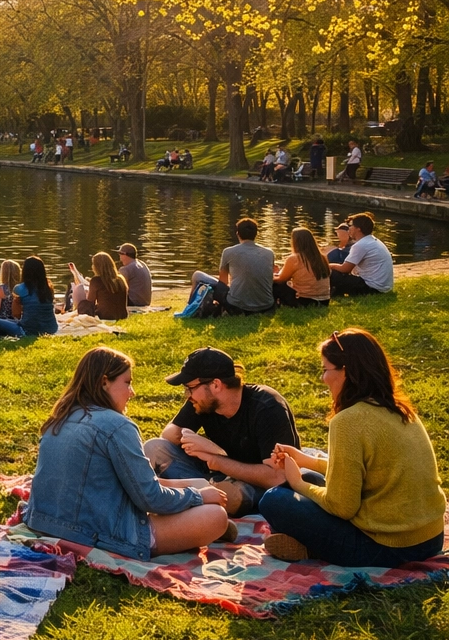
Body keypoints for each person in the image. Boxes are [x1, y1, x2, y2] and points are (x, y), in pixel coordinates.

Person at [260, 329, 446, 566]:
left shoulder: (348, 422)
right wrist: (305, 461)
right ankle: (306, 544)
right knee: (311, 477)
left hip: (390, 549)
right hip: (431, 538)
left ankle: (312, 548)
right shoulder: (401, 410)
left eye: (325, 370)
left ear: (346, 372)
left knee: (274, 500)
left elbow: (343, 507)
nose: (322, 378)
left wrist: (298, 483)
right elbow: (369, 471)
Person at [25, 347, 231, 559]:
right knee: (216, 516)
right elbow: (150, 498)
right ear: (104, 382)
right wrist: (196, 497)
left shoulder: (61, 417)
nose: (132, 392)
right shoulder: (117, 426)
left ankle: (195, 509)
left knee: (201, 484)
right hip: (100, 532)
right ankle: (205, 525)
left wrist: (198, 489)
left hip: (45, 522)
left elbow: (130, 484)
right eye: (127, 382)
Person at [141, 348, 298, 517]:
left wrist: (216, 457)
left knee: (232, 496)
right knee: (154, 448)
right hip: (214, 477)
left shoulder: (267, 407)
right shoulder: (203, 402)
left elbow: (277, 477)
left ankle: (201, 511)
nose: (187, 395)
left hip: (256, 483)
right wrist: (201, 445)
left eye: (190, 388)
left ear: (215, 385)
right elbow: (169, 435)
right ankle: (201, 503)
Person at [186, 218, 275, 315]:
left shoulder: (228, 252)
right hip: (266, 306)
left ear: (238, 234)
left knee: (197, 275)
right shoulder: (269, 253)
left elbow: (223, 282)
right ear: (256, 234)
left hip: (237, 306)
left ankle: (189, 306)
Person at [330, 212, 394, 296]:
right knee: (340, 274)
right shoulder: (372, 241)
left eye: (351, 226)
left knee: (332, 273)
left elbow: (345, 269)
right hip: (383, 287)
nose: (348, 229)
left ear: (358, 229)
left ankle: (332, 293)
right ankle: (336, 293)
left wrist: (327, 265)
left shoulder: (361, 245)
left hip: (372, 288)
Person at [272, 227, 331, 308]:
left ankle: (272, 305)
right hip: (325, 300)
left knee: (275, 285)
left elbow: (281, 280)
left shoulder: (295, 258)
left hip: (304, 300)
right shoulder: (322, 257)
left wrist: (270, 277)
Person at [70, 252, 129, 320]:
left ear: (97, 266)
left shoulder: (96, 280)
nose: (92, 267)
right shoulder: (121, 279)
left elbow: (90, 302)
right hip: (122, 315)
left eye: (93, 264)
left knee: (82, 303)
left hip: (105, 316)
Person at [118, 243, 153, 307]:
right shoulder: (143, 264)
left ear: (125, 254)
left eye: (120, 254)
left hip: (134, 303)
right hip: (146, 301)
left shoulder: (126, 269)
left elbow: (117, 287)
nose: (120, 257)